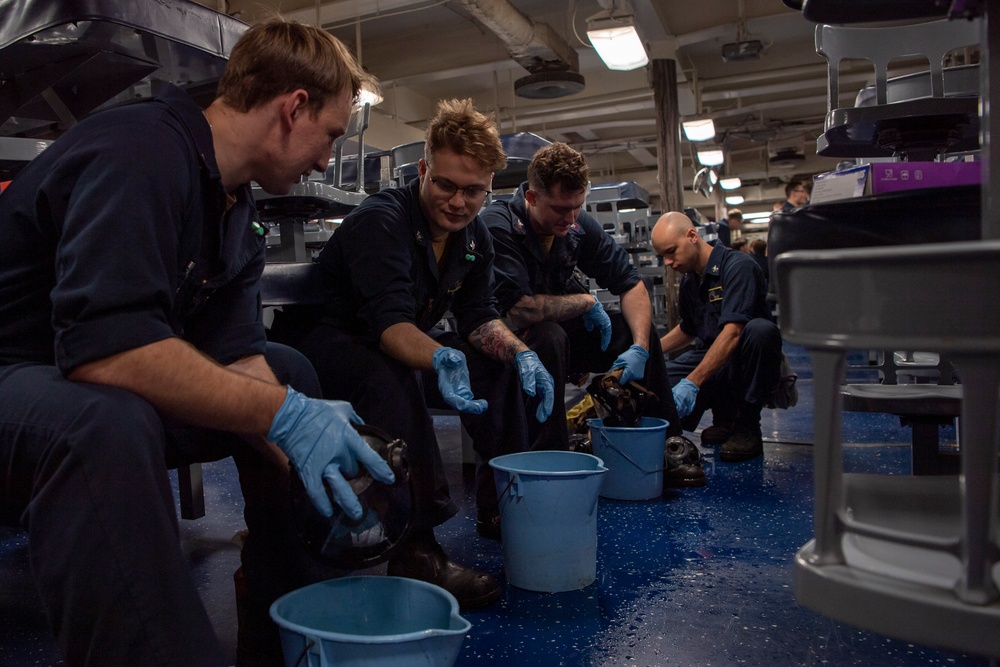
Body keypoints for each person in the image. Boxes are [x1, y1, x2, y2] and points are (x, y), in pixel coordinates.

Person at [0, 18, 397, 667]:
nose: (327, 159)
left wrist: (307, 453)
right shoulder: (143, 149)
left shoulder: (235, 209)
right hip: (19, 375)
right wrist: (283, 417)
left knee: (285, 367)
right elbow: (108, 349)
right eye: (328, 134)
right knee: (102, 423)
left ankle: (289, 629)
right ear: (292, 108)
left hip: (68, 375)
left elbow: (239, 357)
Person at [294, 98, 555, 601]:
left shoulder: (475, 236)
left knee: (497, 365)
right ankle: (417, 548)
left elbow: (479, 316)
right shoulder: (382, 220)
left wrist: (520, 353)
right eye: (446, 185)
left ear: (490, 189)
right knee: (394, 372)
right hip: (327, 344)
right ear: (422, 170)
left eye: (473, 191)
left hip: (395, 339)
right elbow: (390, 326)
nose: (458, 202)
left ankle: (504, 503)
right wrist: (438, 356)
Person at [480, 142, 704, 489]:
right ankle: (551, 460)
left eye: (576, 207)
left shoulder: (574, 224)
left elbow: (631, 284)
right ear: (533, 196)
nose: (570, 219)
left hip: (559, 336)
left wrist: (641, 347)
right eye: (559, 209)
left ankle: (667, 444)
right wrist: (585, 302)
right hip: (508, 343)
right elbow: (521, 310)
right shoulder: (498, 225)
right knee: (549, 336)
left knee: (632, 332)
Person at [651, 211, 783, 462]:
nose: (667, 262)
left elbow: (733, 332)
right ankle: (724, 418)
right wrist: (649, 351)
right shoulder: (691, 282)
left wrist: (692, 382)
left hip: (741, 357)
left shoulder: (737, 267)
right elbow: (689, 330)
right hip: (713, 356)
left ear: (691, 236)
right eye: (662, 256)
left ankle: (746, 424)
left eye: (671, 251)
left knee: (760, 332)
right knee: (659, 382)